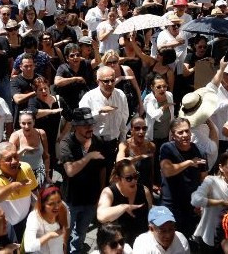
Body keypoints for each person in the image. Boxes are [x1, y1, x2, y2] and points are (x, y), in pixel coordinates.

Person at [59, 107, 107, 253]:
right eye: (85, 125)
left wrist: (101, 193)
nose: (89, 127)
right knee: (65, 233)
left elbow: (102, 169)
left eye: (91, 124)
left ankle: (77, 250)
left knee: (81, 232)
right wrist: (89, 156)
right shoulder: (66, 143)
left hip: (91, 198)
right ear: (76, 126)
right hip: (71, 199)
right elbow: (70, 171)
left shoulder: (98, 141)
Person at [159, 117, 207, 238]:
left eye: (187, 131)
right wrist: (189, 163)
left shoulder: (199, 151)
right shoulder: (167, 148)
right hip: (170, 206)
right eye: (180, 132)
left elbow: (204, 179)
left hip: (191, 208)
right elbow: (167, 171)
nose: (185, 135)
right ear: (173, 135)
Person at [0, 141, 38, 241]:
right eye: (8, 159)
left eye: (16, 156)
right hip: (5, 230)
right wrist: (14, 186)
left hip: (26, 223)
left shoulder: (26, 167)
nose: (14, 161)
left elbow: (34, 191)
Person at [190, 151, 228, 252]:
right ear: (221, 167)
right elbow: (195, 200)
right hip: (210, 237)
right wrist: (221, 203)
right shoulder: (211, 181)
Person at [97, 159, 153, 246]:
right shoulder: (109, 192)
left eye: (136, 176)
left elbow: (150, 217)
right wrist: (123, 207)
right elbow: (101, 216)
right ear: (118, 178)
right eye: (129, 178)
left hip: (141, 243)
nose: (134, 181)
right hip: (119, 245)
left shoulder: (144, 191)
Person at [9, 109, 51, 185]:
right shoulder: (15, 136)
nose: (26, 126)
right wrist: (24, 149)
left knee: (38, 196)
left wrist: (47, 176)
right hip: (21, 174)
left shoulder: (41, 133)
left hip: (39, 172)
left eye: (29, 123)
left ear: (34, 122)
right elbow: (10, 159)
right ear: (19, 123)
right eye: (23, 123)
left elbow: (46, 156)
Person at [23, 185, 69, 254]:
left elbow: (66, 227)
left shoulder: (63, 207)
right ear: (42, 204)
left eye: (59, 202)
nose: (57, 207)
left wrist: (64, 246)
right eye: (51, 204)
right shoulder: (34, 217)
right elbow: (28, 247)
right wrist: (49, 235)